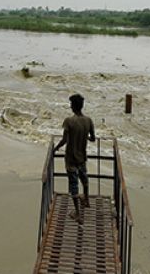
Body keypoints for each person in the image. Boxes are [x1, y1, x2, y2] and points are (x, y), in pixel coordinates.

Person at [54, 93, 95, 224]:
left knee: (73, 185)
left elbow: (64, 140)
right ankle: (86, 200)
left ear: (73, 106)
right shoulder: (88, 121)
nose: (70, 106)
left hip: (71, 158)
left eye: (71, 104)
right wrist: (85, 136)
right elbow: (93, 138)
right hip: (82, 156)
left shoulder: (69, 121)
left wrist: (55, 148)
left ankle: (77, 213)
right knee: (84, 178)